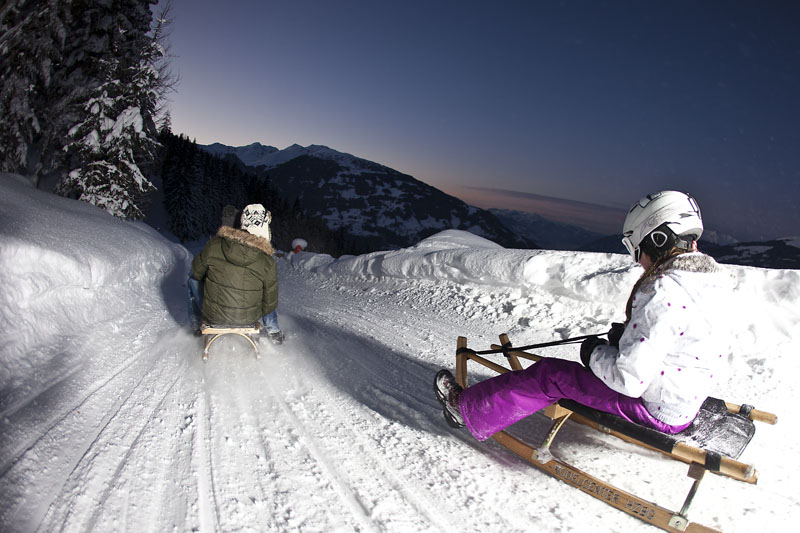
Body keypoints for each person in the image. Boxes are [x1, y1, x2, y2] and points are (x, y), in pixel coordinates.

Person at [434, 190, 732, 440]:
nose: (637, 260)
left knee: (549, 375)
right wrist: (624, 343)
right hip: (683, 402)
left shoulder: (664, 290)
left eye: (636, 247)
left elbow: (629, 380)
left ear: (657, 239)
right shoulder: (713, 282)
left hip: (655, 411)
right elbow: (679, 341)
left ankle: (465, 409)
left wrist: (595, 355)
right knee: (568, 375)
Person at [187, 203, 285, 344]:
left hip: (214, 316)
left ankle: (196, 327)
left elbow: (196, 272)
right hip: (249, 318)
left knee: (192, 280)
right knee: (267, 292)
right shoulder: (266, 260)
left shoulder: (215, 245)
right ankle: (273, 331)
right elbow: (270, 303)